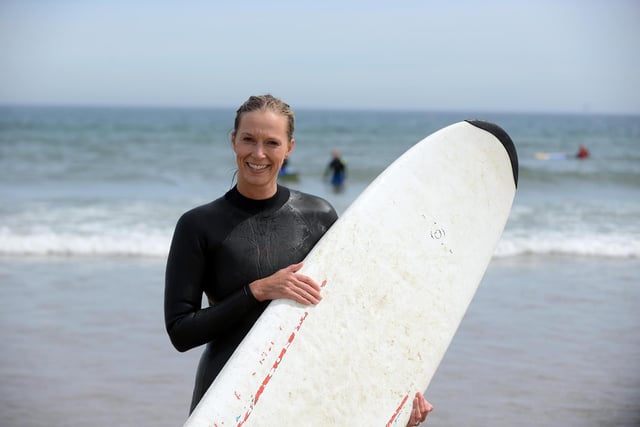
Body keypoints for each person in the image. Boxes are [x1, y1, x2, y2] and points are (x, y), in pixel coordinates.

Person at [164, 94, 432, 426]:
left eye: (272, 142)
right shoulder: (198, 225)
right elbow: (181, 332)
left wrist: (390, 404)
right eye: (248, 139)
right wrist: (257, 291)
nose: (258, 153)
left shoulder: (318, 216)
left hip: (303, 394)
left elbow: (350, 318)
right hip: (226, 397)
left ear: (289, 147)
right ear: (233, 141)